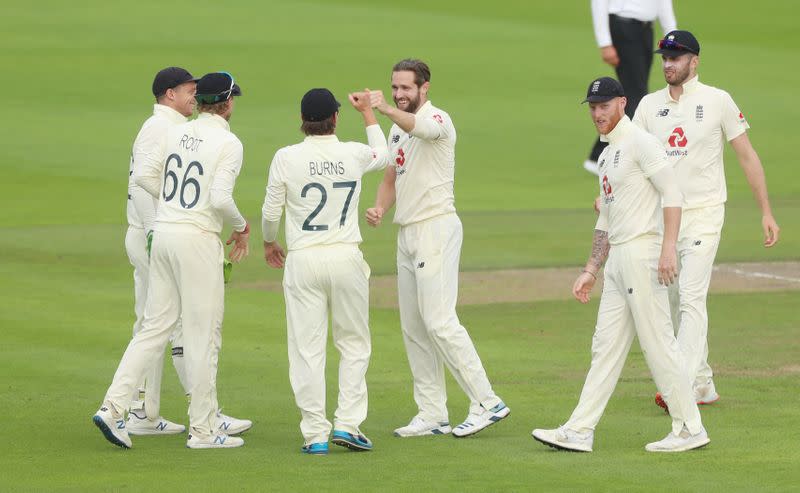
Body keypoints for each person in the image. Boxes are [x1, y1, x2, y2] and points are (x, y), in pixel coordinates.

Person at [532, 77, 710, 453]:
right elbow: (606, 219)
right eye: (593, 107)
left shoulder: (641, 143)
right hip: (617, 260)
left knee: (659, 345)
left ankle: (690, 428)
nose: (597, 114)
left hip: (643, 254)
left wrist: (667, 249)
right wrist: (590, 270)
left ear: (622, 103)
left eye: (604, 105)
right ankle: (580, 430)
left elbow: (673, 194)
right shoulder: (608, 154)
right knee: (605, 347)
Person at [93, 72, 251, 449]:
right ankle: (203, 431)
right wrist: (243, 227)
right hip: (196, 240)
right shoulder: (229, 142)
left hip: (163, 234)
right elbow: (220, 200)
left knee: (154, 327)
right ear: (227, 104)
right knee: (202, 334)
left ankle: (113, 407)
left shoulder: (176, 131)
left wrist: (174, 205)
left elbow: (145, 176)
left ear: (200, 103)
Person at [633, 30, 780, 410]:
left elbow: (746, 156)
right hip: (664, 217)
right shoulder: (649, 106)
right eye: (664, 58)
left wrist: (765, 210)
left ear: (694, 62)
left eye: (676, 58)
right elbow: (632, 160)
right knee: (674, 296)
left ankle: (677, 385)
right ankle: (702, 384)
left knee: (692, 297)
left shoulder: (718, 101)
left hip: (705, 213)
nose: (668, 64)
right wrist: (608, 197)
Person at [366, 59, 510, 438]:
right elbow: (390, 178)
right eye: (395, 87)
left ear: (424, 88)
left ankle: (487, 401)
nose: (399, 93)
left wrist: (383, 109)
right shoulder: (398, 132)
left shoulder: (439, 120)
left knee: (439, 321)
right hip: (407, 233)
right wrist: (381, 207)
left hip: (436, 228)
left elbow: (422, 128)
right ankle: (432, 413)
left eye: (406, 88)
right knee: (414, 327)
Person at [262, 88, 389, 455]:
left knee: (306, 348)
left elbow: (271, 211)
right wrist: (368, 113)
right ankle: (348, 424)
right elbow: (382, 156)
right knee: (353, 343)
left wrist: (270, 243)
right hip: (346, 256)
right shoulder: (352, 152)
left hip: (303, 259)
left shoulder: (286, 157)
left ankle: (315, 433)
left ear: (302, 120)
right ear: (335, 117)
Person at [123, 66, 195, 436]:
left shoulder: (170, 126)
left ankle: (142, 411)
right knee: (168, 323)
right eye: (188, 91)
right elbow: (140, 184)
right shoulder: (160, 128)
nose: (194, 97)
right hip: (151, 236)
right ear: (170, 94)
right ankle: (202, 411)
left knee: (150, 321)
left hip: (150, 235)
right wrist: (155, 233)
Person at [583, 0, 677, 175]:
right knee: (636, 98)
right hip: (623, 28)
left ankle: (606, 156)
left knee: (635, 95)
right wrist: (604, 43)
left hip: (646, 31)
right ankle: (599, 157)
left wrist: (672, 38)